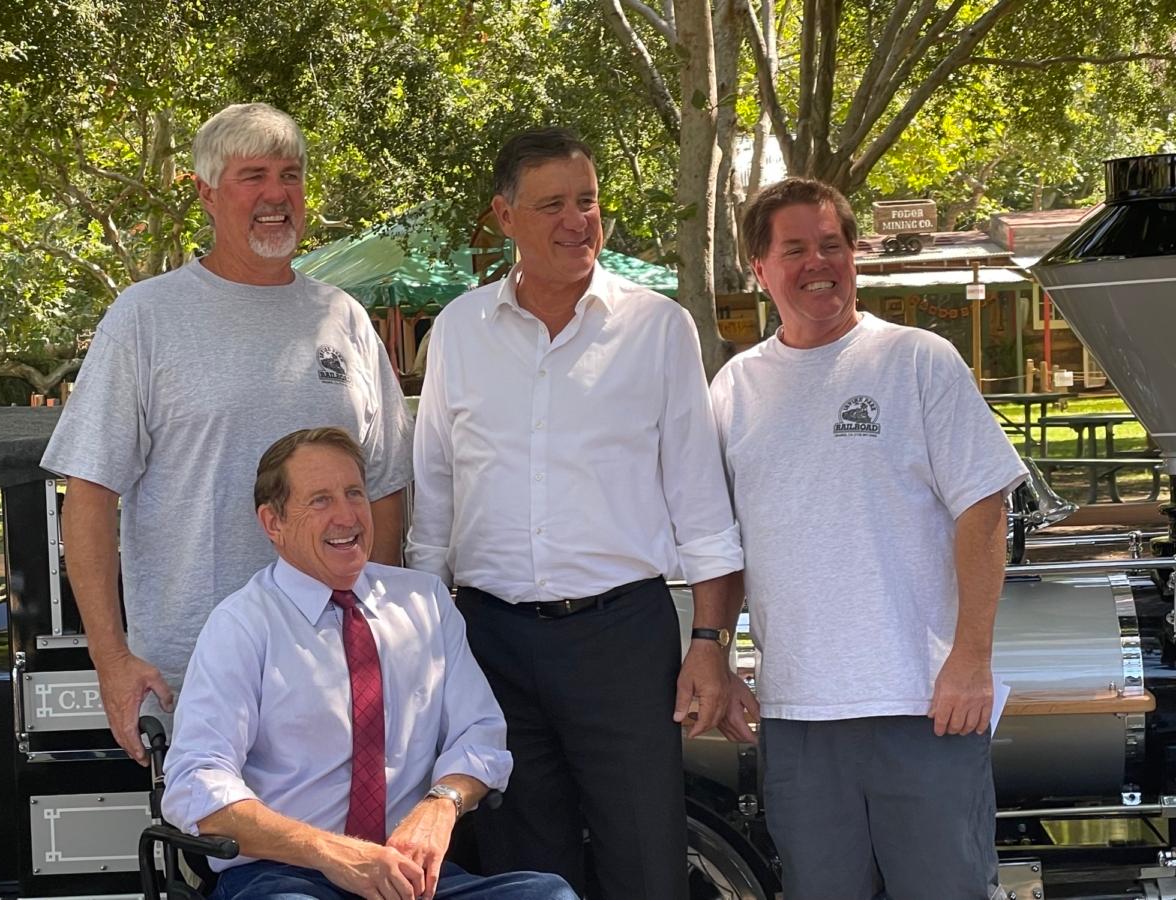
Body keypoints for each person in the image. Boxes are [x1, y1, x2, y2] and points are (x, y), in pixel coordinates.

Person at [407, 127, 750, 900]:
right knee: (521, 868)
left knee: (644, 860)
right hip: (489, 640)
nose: (577, 221)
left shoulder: (659, 328)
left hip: (622, 643)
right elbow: (434, 499)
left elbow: (702, 506)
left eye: (588, 201)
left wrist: (709, 646)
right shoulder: (459, 330)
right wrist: (430, 645)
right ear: (504, 217)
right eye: (553, 203)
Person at [40, 102, 413, 765]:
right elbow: (89, 499)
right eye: (254, 176)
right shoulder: (146, 318)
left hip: (337, 671)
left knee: (348, 857)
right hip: (198, 676)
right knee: (228, 865)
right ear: (207, 194)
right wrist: (113, 660)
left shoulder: (344, 318)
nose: (277, 195)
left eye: (291, 175)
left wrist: (377, 634)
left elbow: (384, 490)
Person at [710, 177, 1026, 900]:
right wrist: (720, 656)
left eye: (832, 245)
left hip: (925, 706)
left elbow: (984, 510)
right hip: (796, 716)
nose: (817, 262)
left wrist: (971, 659)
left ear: (855, 255)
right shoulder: (733, 390)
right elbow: (720, 542)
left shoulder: (919, 361)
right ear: (759, 269)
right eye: (794, 249)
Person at [162, 427, 576, 900]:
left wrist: (441, 805)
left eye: (354, 492)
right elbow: (195, 782)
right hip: (285, 876)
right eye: (319, 500)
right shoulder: (242, 625)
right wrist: (333, 853)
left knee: (551, 895)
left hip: (406, 877)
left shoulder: (424, 603)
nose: (347, 515)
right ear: (272, 523)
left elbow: (479, 733)